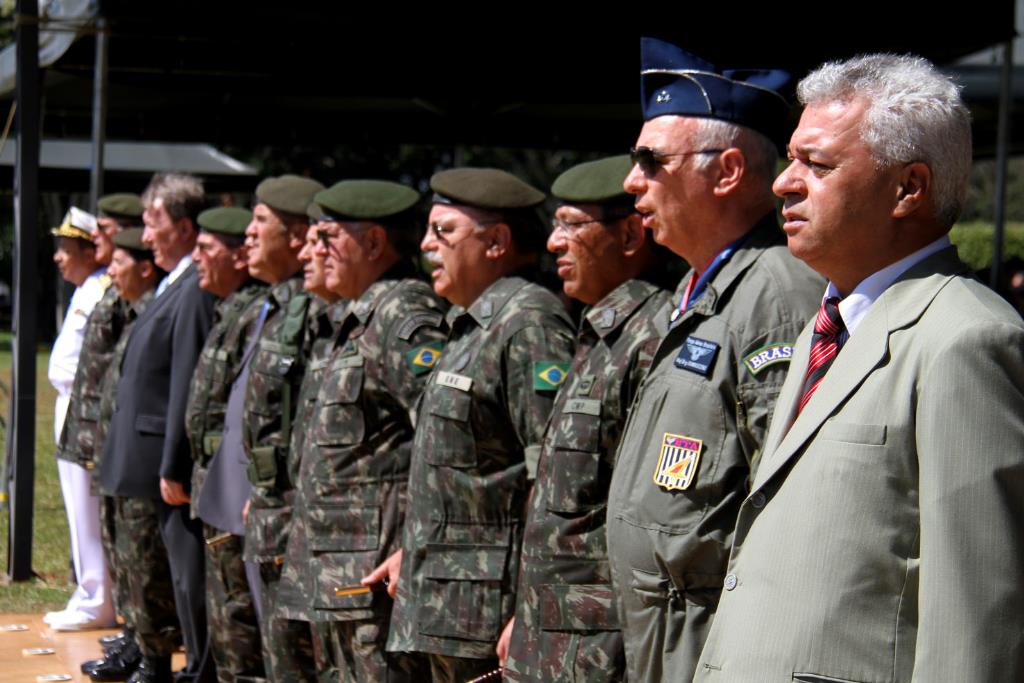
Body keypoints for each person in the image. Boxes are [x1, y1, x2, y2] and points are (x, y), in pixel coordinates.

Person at [695, 53, 1024, 682]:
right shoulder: (830, 323)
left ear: (909, 188)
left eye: (817, 165)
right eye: (792, 159)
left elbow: (978, 621)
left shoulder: (967, 339)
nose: (784, 183)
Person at [604, 38, 823, 682]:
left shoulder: (778, 295)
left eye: (651, 160)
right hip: (668, 643)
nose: (630, 181)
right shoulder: (705, 283)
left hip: (714, 652)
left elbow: (786, 514)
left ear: (726, 171)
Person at [372, 167, 576, 683]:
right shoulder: (472, 323)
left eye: (443, 232)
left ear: (497, 242)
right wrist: (412, 549)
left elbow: (551, 478)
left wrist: (530, 609)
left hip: (487, 613)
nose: (425, 246)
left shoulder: (529, 323)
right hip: (447, 599)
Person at [501, 155, 675, 682]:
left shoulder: (654, 337)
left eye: (572, 225)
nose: (554, 243)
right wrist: (526, 616)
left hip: (604, 651)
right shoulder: (601, 335)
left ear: (628, 235)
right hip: (554, 637)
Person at [279, 179, 447, 681]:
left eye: (328, 238)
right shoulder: (359, 315)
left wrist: (412, 545)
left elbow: (444, 440)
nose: (315, 250)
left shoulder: (403, 315)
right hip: (335, 570)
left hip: (371, 578)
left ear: (373, 243)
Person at [100, 173, 216, 683]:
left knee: (182, 579)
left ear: (186, 227)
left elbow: (186, 380)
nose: (146, 237)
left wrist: (175, 460)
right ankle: (163, 657)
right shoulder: (175, 282)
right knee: (152, 571)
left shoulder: (194, 288)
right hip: (143, 453)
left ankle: (188, 666)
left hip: (162, 461)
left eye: (155, 223)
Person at [239, 174, 325, 681]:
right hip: (272, 504)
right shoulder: (279, 302)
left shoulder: (314, 308)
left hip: (304, 517)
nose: (248, 233)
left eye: (260, 221)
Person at [183, 206, 268, 683]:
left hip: (236, 486)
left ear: (238, 257)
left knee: (239, 614)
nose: (195, 258)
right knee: (224, 612)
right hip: (213, 482)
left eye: (205, 249)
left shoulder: (255, 310)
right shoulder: (227, 309)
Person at [83, 227, 164, 682]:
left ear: (146, 266)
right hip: (117, 451)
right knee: (123, 555)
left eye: (119, 261)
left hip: (139, 459)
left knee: (143, 562)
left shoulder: (153, 312)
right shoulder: (137, 314)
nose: (110, 270)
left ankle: (151, 654)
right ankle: (137, 640)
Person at [45, 206, 117, 632]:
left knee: (87, 507)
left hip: (85, 404)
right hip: (69, 401)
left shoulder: (101, 287)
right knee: (76, 506)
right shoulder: (88, 287)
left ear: (91, 252)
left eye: (67, 248)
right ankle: (88, 592)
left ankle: (97, 600)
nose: (58, 256)